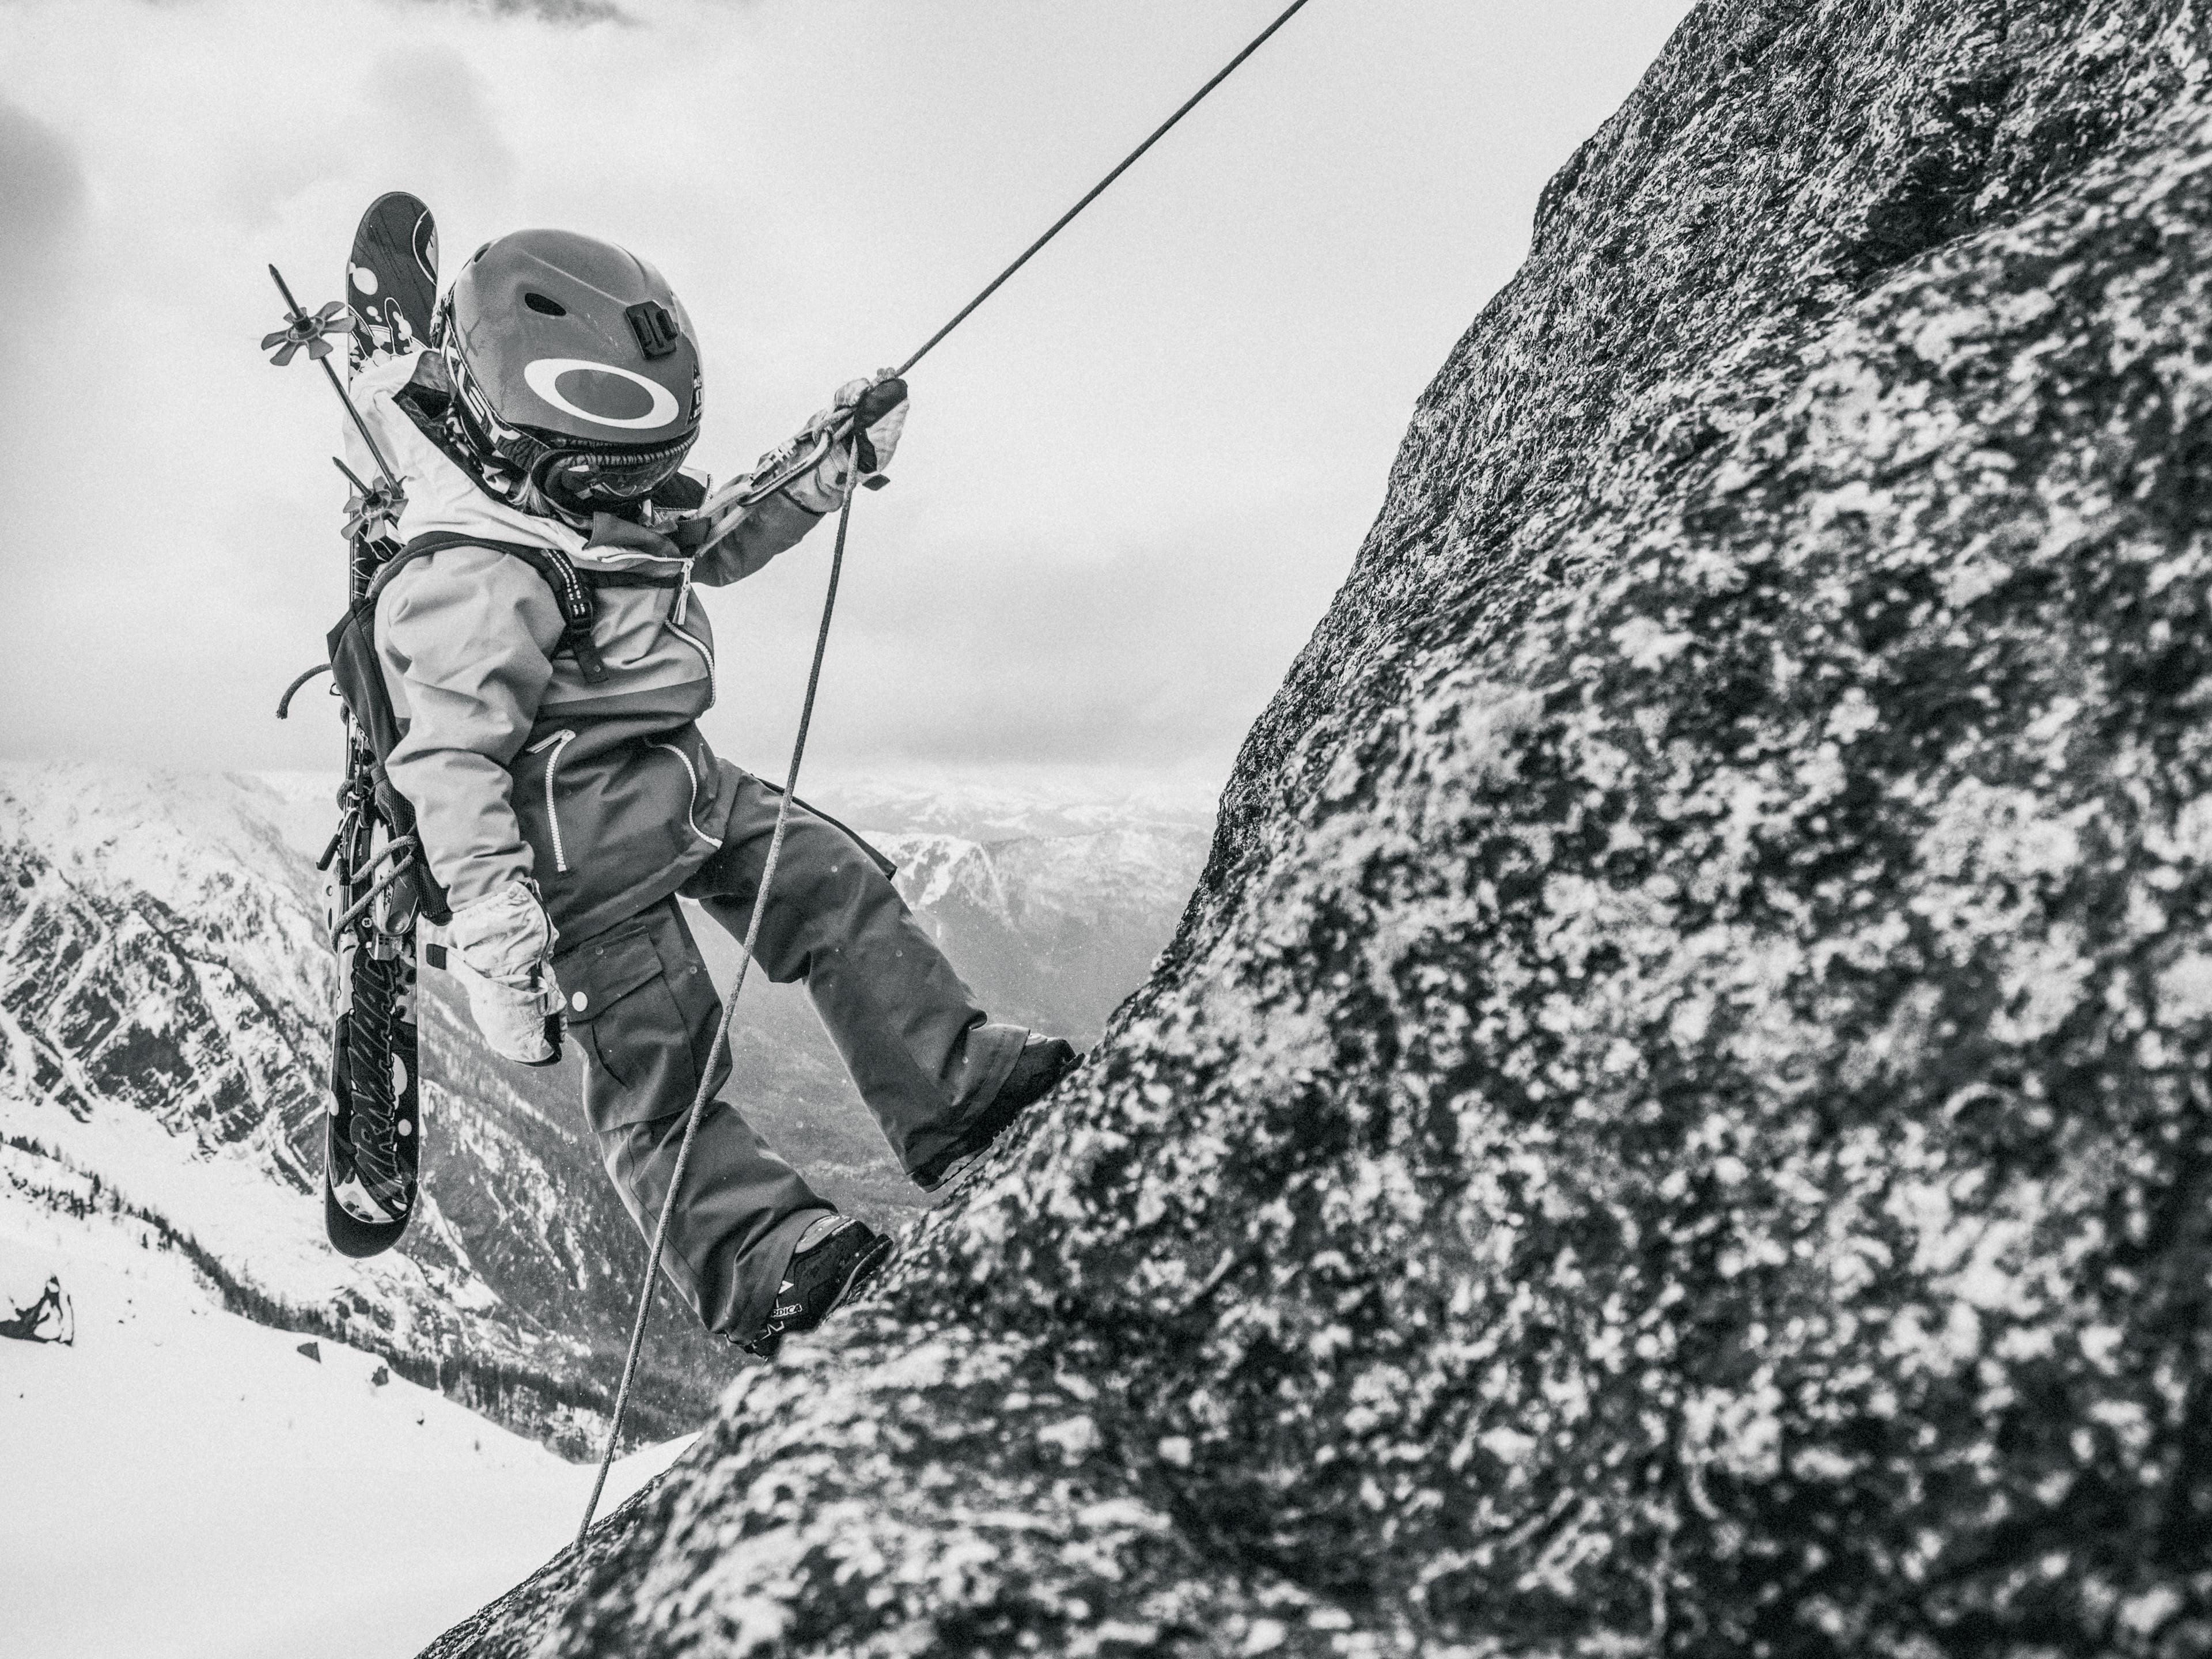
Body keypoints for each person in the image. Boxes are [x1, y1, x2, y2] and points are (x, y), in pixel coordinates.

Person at [343, 228, 1078, 1357]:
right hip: (577, 863)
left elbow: (705, 535)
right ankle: (760, 1262)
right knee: (659, 1061)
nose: (641, 495)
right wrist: (497, 929)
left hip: (676, 779)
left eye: (650, 467)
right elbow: (447, 759)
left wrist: (824, 472)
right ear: (522, 442)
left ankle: (953, 1088)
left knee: (830, 885)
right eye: (621, 476)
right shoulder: (469, 572)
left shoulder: (577, 486)